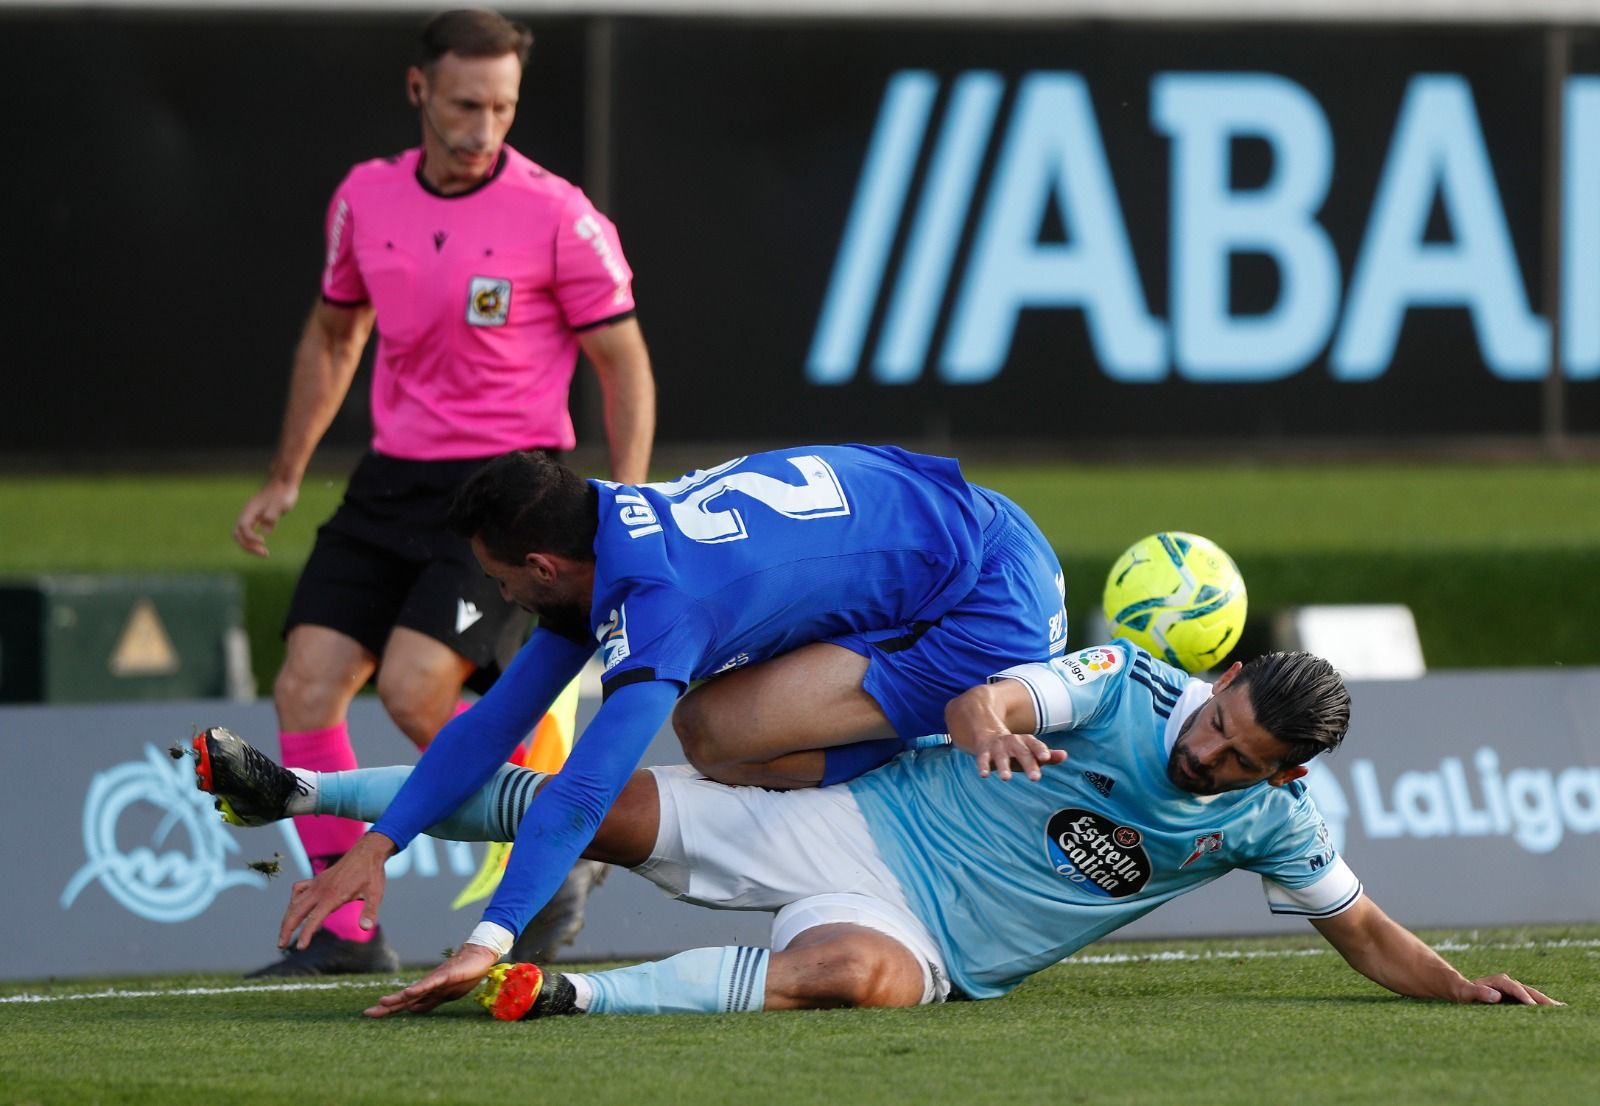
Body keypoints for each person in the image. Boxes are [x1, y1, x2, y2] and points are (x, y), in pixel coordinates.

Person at [190, 643, 1560, 1016]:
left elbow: (1362, 925)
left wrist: (1458, 985)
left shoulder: (1275, 818)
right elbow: (1005, 688)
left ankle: (551, 997)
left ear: (1279, 771)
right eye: (1218, 713)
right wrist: (999, 715)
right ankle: (298, 792)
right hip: (852, 819)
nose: (1206, 742)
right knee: (593, 807)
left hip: (930, 940)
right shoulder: (1135, 685)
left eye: (1235, 751)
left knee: (844, 980)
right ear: (1224, 678)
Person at [251, 443, 1070, 991]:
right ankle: (891, 740)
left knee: (713, 734)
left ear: (543, 565)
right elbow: (491, 723)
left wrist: (488, 940)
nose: (501, 598)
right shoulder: (599, 521)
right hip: (961, 524)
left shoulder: (659, 606)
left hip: (988, 608)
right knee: (721, 720)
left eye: (502, 581)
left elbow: (579, 795)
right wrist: (375, 846)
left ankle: (911, 762)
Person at [231, 8, 654, 976]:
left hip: (505, 492)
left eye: (501, 107)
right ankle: (342, 937)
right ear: (420, 90)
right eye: (466, 104)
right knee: (304, 683)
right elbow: (334, 337)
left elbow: (623, 365)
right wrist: (287, 472)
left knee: (419, 687)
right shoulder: (364, 197)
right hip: (389, 481)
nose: (483, 127)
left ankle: (562, 845)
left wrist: (625, 508)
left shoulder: (558, 212)